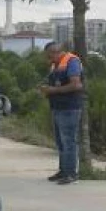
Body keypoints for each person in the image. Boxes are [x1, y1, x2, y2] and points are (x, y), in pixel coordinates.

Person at [39, 41, 84, 184]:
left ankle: (71, 173)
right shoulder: (56, 65)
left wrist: (53, 90)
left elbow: (76, 84)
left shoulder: (72, 61)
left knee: (68, 141)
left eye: (49, 56)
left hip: (69, 108)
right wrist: (46, 89)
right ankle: (63, 170)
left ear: (55, 52)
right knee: (60, 142)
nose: (48, 59)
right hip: (57, 107)